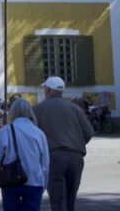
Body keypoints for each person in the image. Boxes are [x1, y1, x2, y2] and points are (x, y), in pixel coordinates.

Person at [34, 76, 94, 211]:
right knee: (70, 198)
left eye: (44, 88)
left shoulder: (38, 109)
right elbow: (89, 132)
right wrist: (76, 143)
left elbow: (32, 135)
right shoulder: (75, 109)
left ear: (48, 90)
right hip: (76, 158)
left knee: (57, 199)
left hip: (54, 158)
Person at [0, 98, 49, 210]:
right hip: (34, 181)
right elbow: (45, 164)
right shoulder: (38, 133)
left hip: (11, 180)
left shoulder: (7, 130)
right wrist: (43, 185)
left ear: (12, 112)